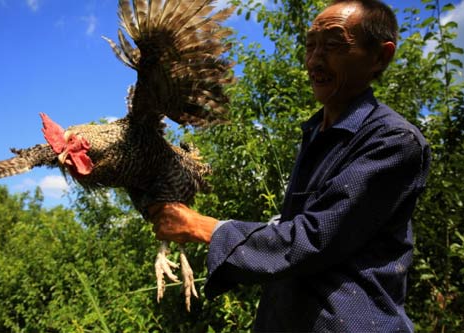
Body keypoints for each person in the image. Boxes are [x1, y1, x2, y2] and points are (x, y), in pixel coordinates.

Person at [149, 0, 431, 331]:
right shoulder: (317, 134)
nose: (314, 59)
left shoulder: (393, 141)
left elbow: (313, 240)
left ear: (380, 57)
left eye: (333, 45)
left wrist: (204, 227)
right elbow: (291, 230)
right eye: (310, 46)